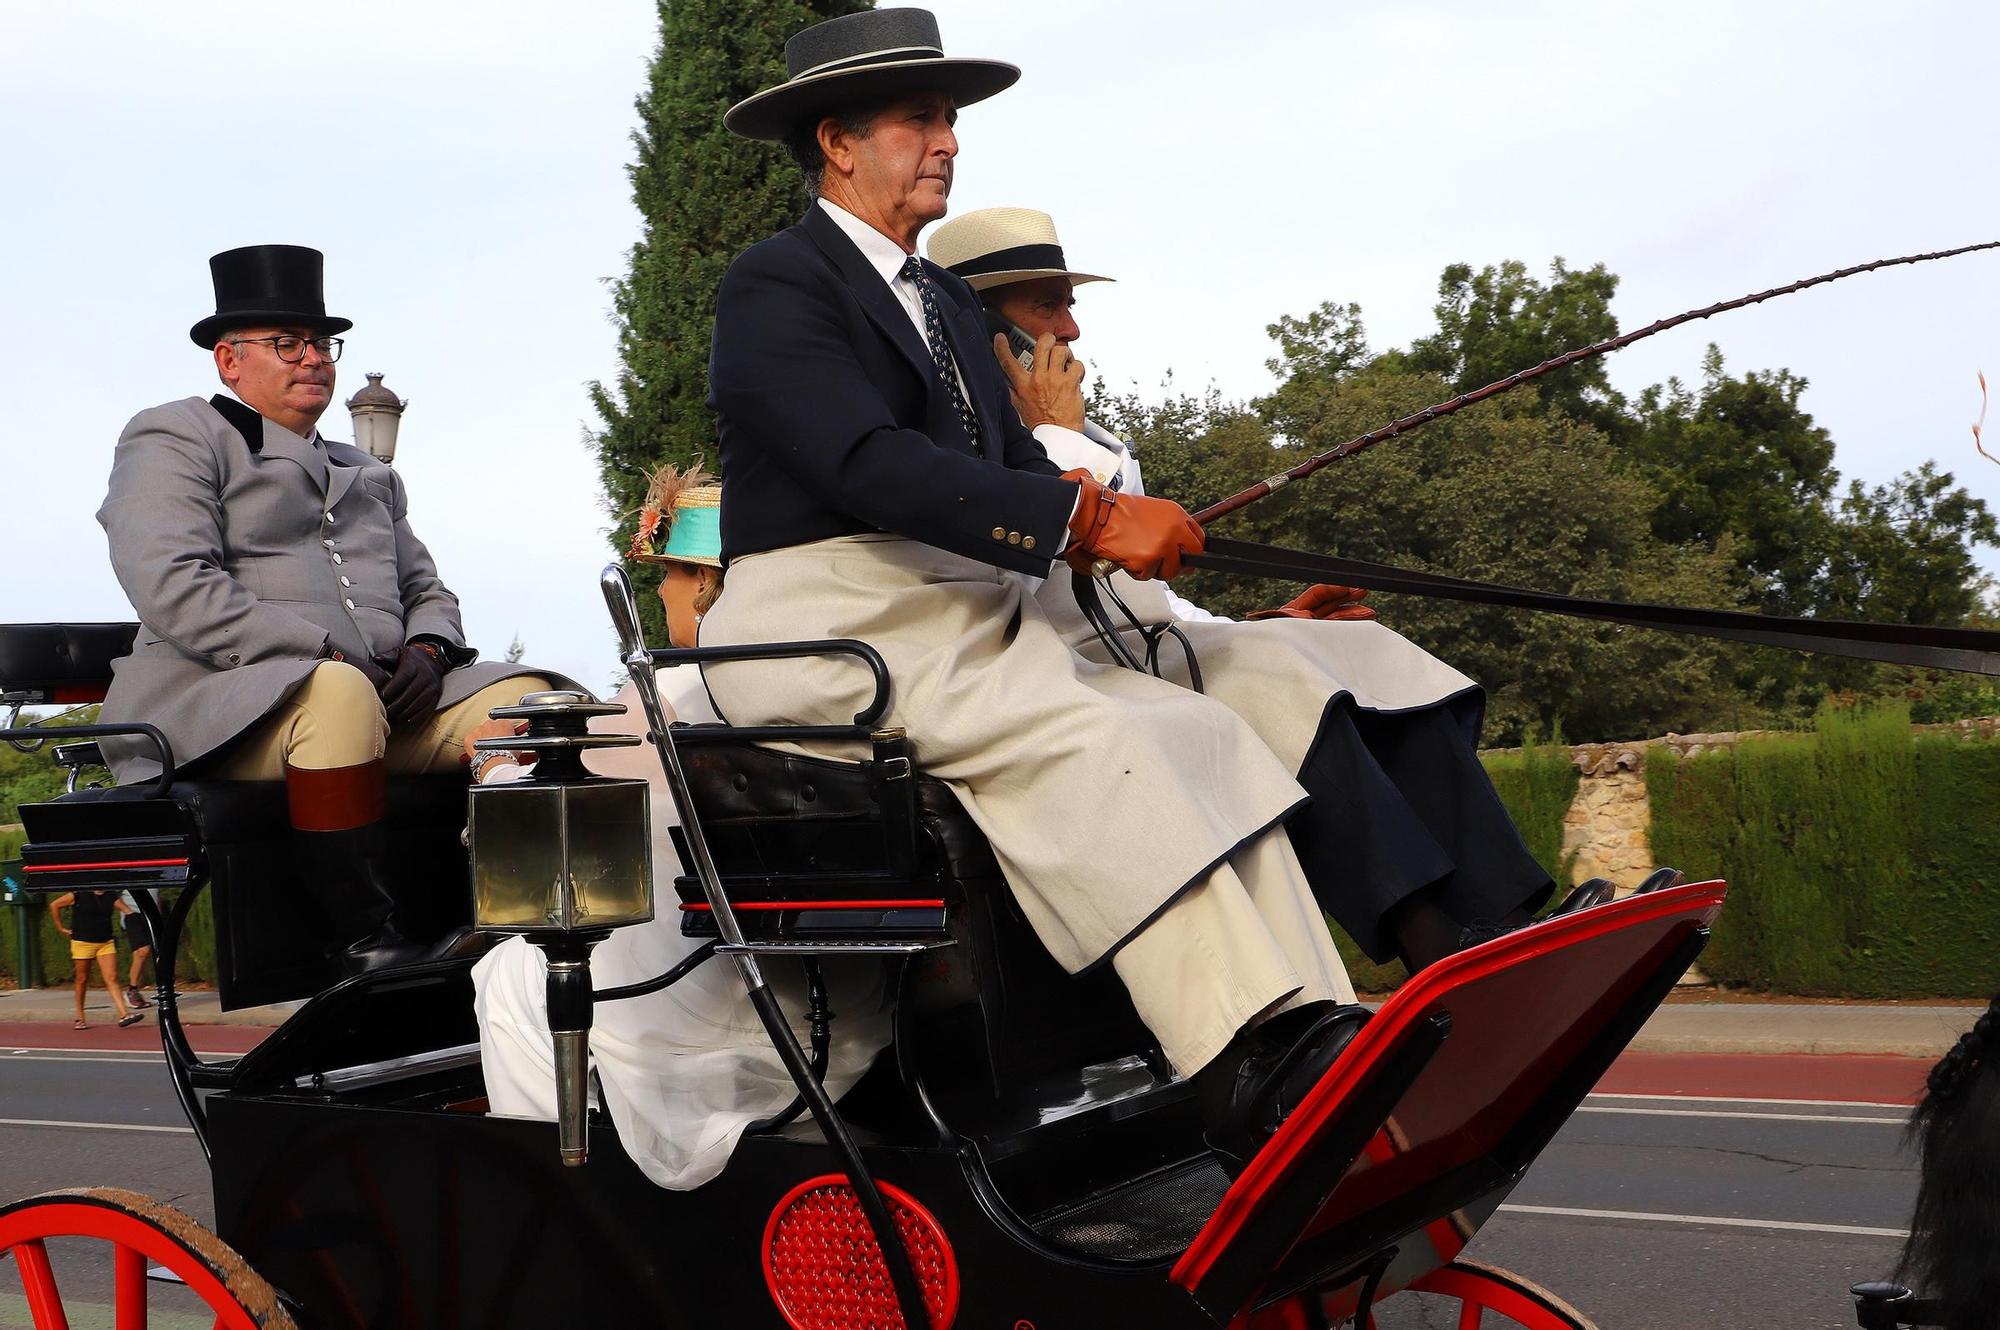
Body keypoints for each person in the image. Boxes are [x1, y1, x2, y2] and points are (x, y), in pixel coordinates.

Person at [702, 6, 1360, 1173]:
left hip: (944, 609)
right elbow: (863, 462)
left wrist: (1106, 518)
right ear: (837, 142)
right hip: (823, 621)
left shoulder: (948, 304)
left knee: (1191, 723)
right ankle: (1239, 1060)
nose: (947, 139)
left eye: (949, 118)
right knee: (1077, 727)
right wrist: (1090, 516)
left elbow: (1007, 471)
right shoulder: (774, 283)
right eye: (919, 118)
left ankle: (1320, 1027)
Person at [928, 207, 1558, 970]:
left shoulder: (1094, 440)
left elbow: (1144, 590)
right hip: (1055, 667)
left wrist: (1263, 618)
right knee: (1269, 676)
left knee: (1354, 646)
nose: (1073, 328)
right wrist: (1056, 437)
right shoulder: (952, 439)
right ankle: (1433, 944)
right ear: (992, 327)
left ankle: (1510, 917)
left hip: (1144, 643)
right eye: (1047, 306)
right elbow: (1025, 572)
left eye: (1071, 303)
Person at [96, 244, 559, 974]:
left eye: (321, 343)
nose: (313, 358)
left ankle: (525, 919)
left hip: (377, 702)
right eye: (288, 343)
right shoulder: (176, 433)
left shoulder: (367, 470)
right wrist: (324, 652)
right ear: (229, 360)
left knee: (543, 704)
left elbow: (428, 591)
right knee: (337, 693)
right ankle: (362, 941)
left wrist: (431, 652)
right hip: (224, 710)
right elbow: (171, 580)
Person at [468, 465, 892, 1190]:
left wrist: (495, 772)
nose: (659, 591)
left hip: (713, 1002)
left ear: (701, 583)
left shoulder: (679, 687)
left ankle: (554, 1187)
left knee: (506, 977)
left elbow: (554, 812)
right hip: (853, 1013)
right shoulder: (836, 679)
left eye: (666, 574)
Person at [48, 890, 144, 1030]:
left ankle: (124, 1014)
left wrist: (142, 924)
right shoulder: (78, 895)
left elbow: (127, 910)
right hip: (82, 941)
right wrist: (60, 928)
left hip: (105, 942)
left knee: (111, 977)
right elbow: (54, 905)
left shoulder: (110, 896)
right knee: (82, 978)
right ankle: (80, 1016)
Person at [119, 889, 155, 1010]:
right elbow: (110, 894)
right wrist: (127, 911)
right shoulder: (127, 871)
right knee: (142, 950)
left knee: (140, 954)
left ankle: (134, 991)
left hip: (151, 914)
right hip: (134, 914)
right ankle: (132, 991)